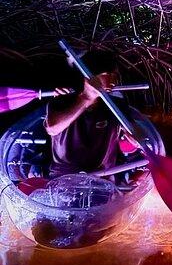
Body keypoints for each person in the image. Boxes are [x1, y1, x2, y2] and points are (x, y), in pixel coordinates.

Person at [44, 50, 137, 178]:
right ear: (88, 77)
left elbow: (132, 136)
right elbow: (52, 128)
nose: (112, 80)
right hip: (65, 176)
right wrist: (86, 98)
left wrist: (135, 139)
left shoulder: (117, 103)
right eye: (106, 74)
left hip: (103, 176)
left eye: (114, 75)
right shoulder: (63, 97)